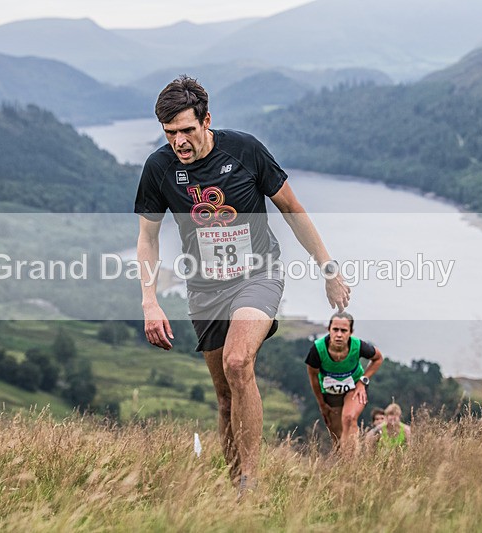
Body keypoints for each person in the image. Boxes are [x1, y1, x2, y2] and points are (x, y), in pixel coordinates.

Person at [135, 75, 350, 492]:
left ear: (206, 120)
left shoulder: (246, 150)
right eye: (169, 133)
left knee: (238, 362)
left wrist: (328, 269)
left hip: (258, 274)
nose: (178, 142)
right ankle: (235, 486)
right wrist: (149, 301)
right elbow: (146, 238)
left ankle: (249, 483)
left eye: (186, 131)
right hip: (204, 289)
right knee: (224, 396)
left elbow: (292, 208)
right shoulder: (159, 169)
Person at [306, 312, 383, 452]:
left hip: (354, 387)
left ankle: (352, 465)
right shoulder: (317, 350)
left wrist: (362, 382)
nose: (339, 335)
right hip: (329, 393)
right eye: (335, 330)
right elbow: (313, 378)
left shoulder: (358, 346)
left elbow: (378, 359)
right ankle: (344, 466)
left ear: (351, 332)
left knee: (349, 418)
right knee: (337, 437)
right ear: (328, 330)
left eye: (344, 330)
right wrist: (321, 404)